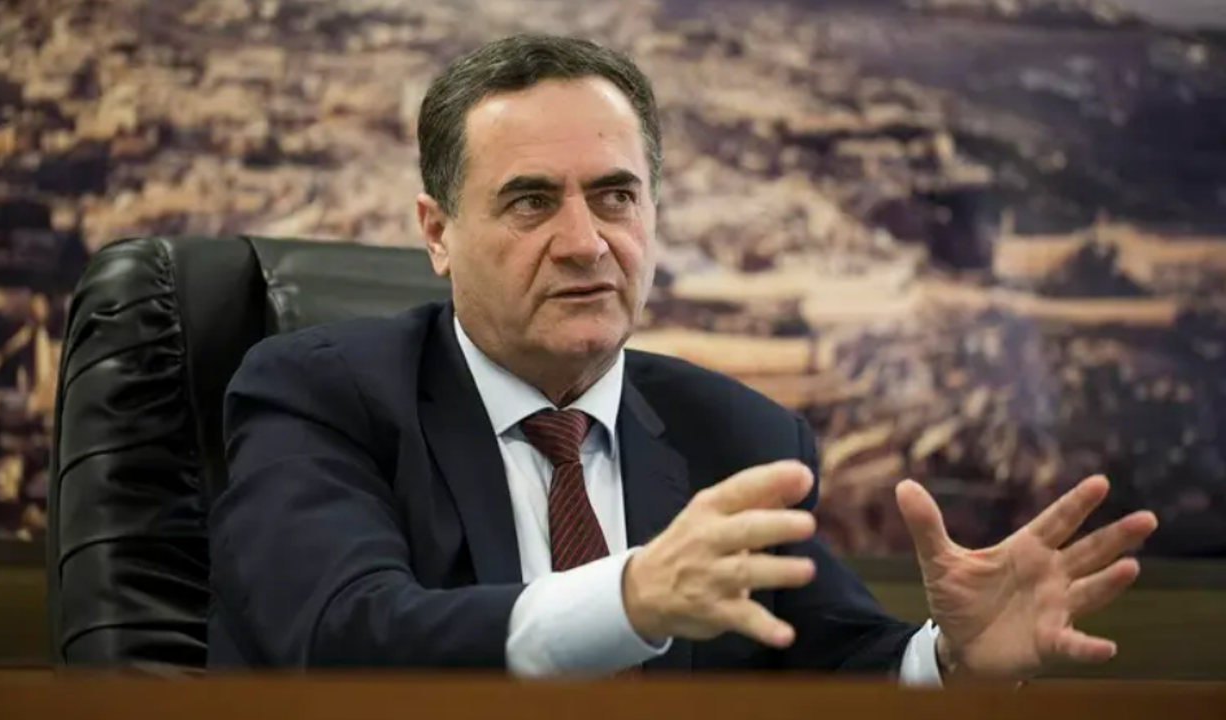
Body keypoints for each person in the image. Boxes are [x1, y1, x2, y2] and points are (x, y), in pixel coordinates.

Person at [206, 34, 1157, 681]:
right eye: (531, 201)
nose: (585, 243)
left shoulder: (737, 434)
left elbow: (829, 658)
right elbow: (343, 637)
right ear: (437, 231)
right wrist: (628, 599)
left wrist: (946, 659)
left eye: (615, 197)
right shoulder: (320, 394)